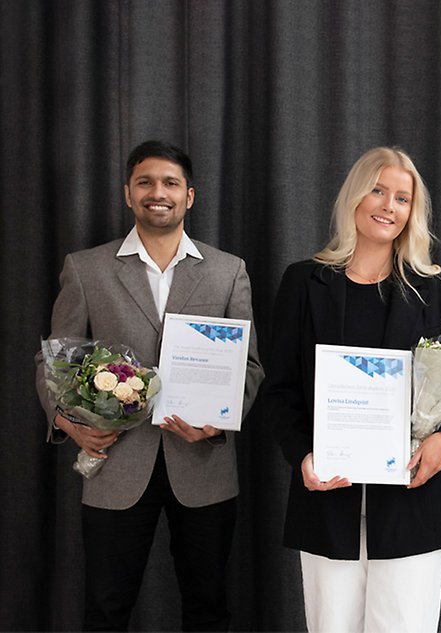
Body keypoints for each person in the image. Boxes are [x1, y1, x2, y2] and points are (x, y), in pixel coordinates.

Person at [34, 140, 265, 630]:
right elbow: (54, 359)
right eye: (145, 182)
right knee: (105, 610)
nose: (157, 192)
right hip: (116, 465)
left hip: (204, 466)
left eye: (170, 183)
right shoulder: (87, 267)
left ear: (190, 196)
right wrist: (67, 422)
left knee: (208, 609)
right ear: (127, 193)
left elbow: (250, 366)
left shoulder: (229, 270)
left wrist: (219, 422)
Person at [267, 147, 441, 632]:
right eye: (378, 190)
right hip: (328, 497)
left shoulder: (431, 290)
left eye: (401, 197)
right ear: (354, 195)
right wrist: (303, 457)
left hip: (413, 501)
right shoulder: (302, 282)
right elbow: (281, 389)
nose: (388, 205)